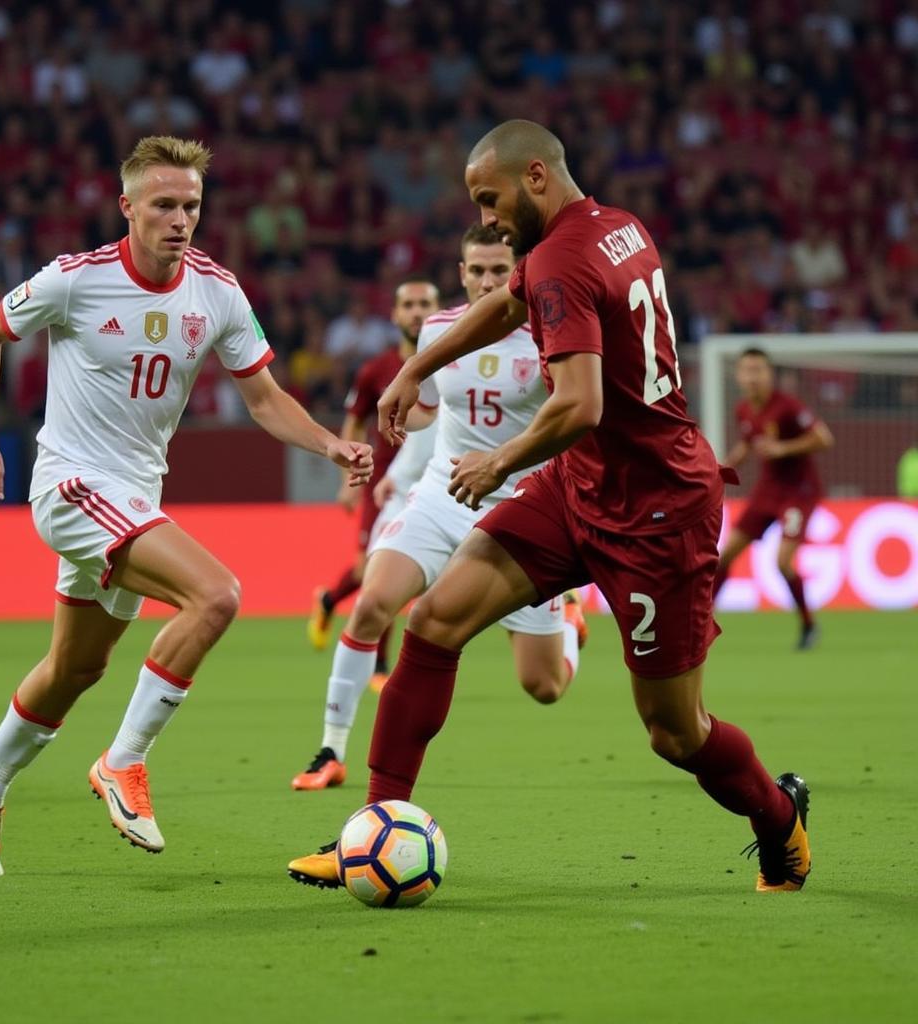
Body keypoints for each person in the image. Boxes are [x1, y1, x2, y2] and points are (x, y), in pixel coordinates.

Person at [288, 120, 810, 894]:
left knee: (674, 731)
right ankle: (371, 825)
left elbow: (579, 407)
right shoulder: (612, 227)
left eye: (490, 200)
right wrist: (418, 367)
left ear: (535, 176)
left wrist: (497, 460)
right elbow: (507, 304)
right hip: (579, 487)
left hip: (656, 511)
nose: (489, 218)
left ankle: (778, 817)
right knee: (433, 622)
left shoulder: (561, 259)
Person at [0, 135, 373, 876]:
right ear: (128, 207)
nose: (180, 219)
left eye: (192, 206)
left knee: (74, 668)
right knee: (216, 596)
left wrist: (331, 444)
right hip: (73, 486)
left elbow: (265, 399)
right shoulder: (77, 279)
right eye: (165, 205)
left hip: (135, 497)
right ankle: (123, 762)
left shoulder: (217, 292)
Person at [290, 225, 587, 791]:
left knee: (544, 686)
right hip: (442, 495)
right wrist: (388, 459)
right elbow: (428, 415)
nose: (486, 282)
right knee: (372, 604)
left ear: (521, 272)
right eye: (476, 270)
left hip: (521, 511)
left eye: (499, 271)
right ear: (460, 272)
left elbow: (570, 418)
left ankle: (570, 622)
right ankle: (329, 750)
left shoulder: (552, 337)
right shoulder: (440, 330)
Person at [306, 278, 439, 683]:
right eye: (409, 305)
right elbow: (355, 419)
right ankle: (380, 667)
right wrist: (350, 477)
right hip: (386, 481)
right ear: (396, 315)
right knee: (375, 569)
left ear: (438, 311)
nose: (417, 312)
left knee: (402, 575)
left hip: (434, 481)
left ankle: (329, 600)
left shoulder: (453, 363)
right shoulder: (376, 369)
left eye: (425, 304)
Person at [713, 349, 834, 649]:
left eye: (759, 370)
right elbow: (746, 445)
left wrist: (784, 449)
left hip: (798, 492)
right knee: (725, 555)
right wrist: (719, 471)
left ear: (770, 374)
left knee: (783, 561)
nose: (753, 377)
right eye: (747, 371)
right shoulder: (744, 410)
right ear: (739, 376)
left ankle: (808, 625)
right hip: (767, 491)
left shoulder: (788, 407)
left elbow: (824, 438)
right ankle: (702, 620)